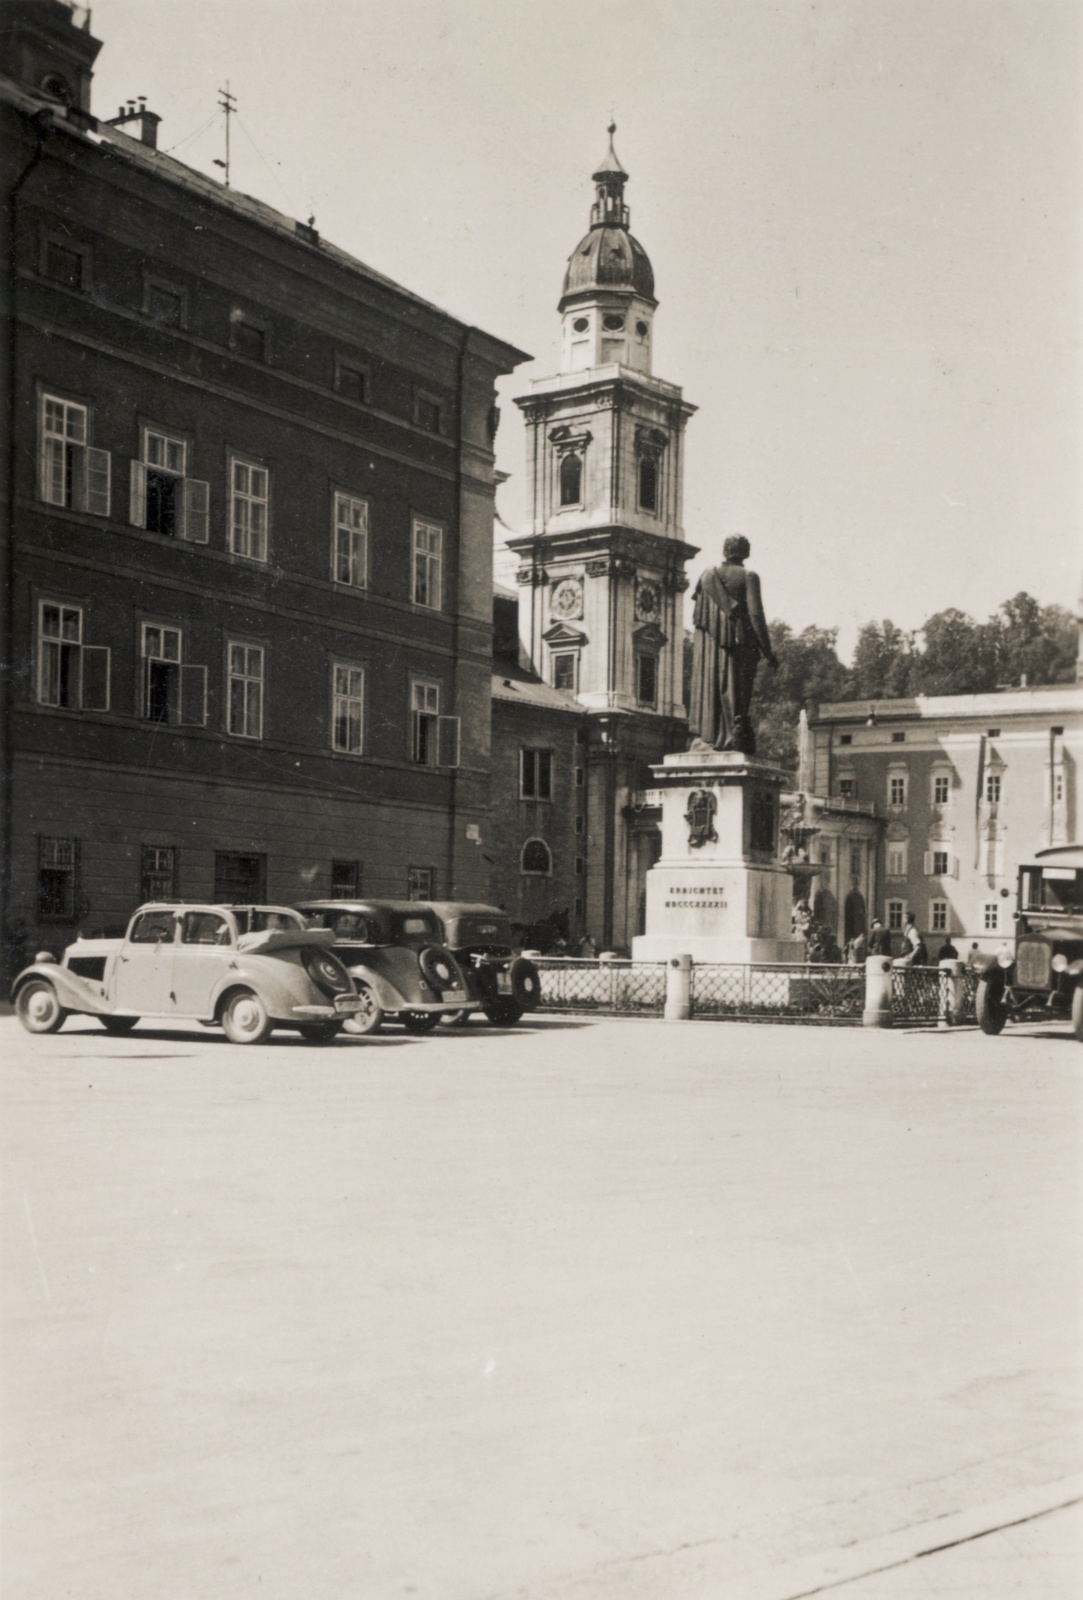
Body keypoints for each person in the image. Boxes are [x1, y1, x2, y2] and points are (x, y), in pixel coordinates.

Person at [687, 535, 778, 755]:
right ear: (745, 552)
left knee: (712, 687)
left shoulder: (706, 577)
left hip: (710, 650)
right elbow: (756, 615)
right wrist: (768, 651)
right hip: (739, 647)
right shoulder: (749, 576)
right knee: (737, 693)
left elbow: (699, 619)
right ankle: (731, 738)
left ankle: (708, 737)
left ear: (725, 551)